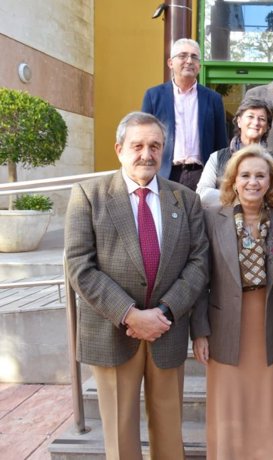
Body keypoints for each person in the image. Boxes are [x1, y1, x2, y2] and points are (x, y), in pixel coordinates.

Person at [64, 111, 208, 459]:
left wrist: (163, 311)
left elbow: (199, 263)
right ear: (119, 149)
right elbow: (80, 266)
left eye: (155, 146)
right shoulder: (88, 195)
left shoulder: (185, 199)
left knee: (170, 431)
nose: (147, 154)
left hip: (167, 328)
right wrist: (130, 314)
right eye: (138, 145)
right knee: (119, 431)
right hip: (114, 331)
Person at [191, 145, 273, 459]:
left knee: (270, 400)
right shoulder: (211, 220)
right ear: (233, 180)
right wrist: (200, 332)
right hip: (225, 325)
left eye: (260, 175)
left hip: (271, 324)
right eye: (245, 175)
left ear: (270, 182)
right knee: (229, 402)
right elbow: (199, 279)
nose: (253, 182)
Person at [142, 38, 228, 189]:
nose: (189, 61)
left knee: (200, 214)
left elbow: (220, 144)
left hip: (203, 176)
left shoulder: (213, 99)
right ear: (170, 63)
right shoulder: (153, 96)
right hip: (165, 174)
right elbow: (143, 138)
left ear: (199, 66)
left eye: (194, 57)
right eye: (183, 56)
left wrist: (221, 180)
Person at [196, 98, 273, 209]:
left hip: (263, 222)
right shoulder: (217, 157)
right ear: (239, 121)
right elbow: (202, 195)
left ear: (267, 127)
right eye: (250, 116)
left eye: (262, 119)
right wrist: (249, 196)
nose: (256, 122)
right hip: (223, 222)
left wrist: (229, 197)